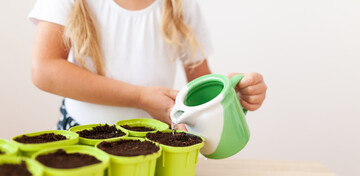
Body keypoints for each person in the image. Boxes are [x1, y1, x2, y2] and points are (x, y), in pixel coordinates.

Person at [29, 0, 267, 130]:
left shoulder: (182, 5)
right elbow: (44, 70)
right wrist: (139, 97)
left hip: (153, 144)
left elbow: (199, 91)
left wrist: (227, 95)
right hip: (81, 140)